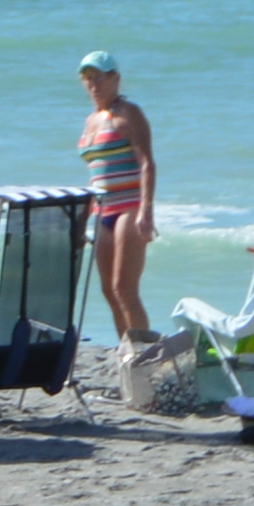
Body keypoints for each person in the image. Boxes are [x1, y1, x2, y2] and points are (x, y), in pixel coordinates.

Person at [72, 55, 160, 345]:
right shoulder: (91, 121)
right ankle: (127, 347)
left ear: (115, 79)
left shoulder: (128, 113)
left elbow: (147, 163)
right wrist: (81, 221)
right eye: (88, 78)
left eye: (99, 77)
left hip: (129, 207)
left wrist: (146, 212)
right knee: (109, 290)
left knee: (124, 288)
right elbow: (96, 176)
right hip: (101, 209)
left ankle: (144, 351)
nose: (93, 84)